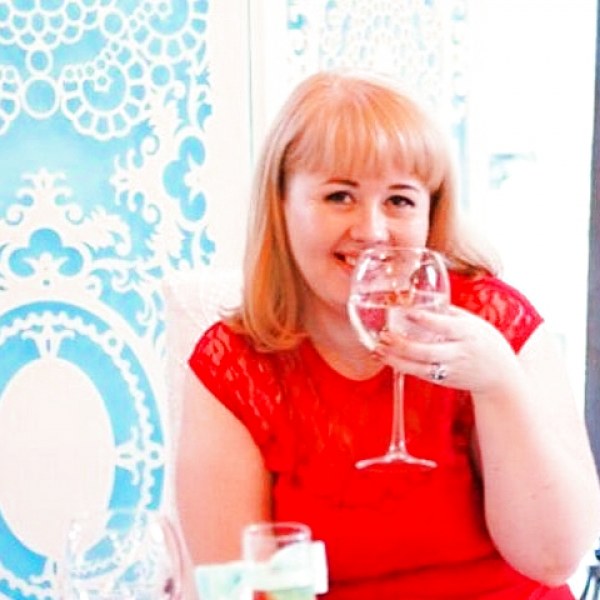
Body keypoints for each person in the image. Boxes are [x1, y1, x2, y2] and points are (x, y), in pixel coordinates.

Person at [175, 70, 600, 599]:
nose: (372, 232)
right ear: (281, 205)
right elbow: (238, 588)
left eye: (399, 201)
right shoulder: (234, 367)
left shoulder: (494, 321)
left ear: (431, 213)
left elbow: (553, 559)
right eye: (339, 196)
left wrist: (500, 384)